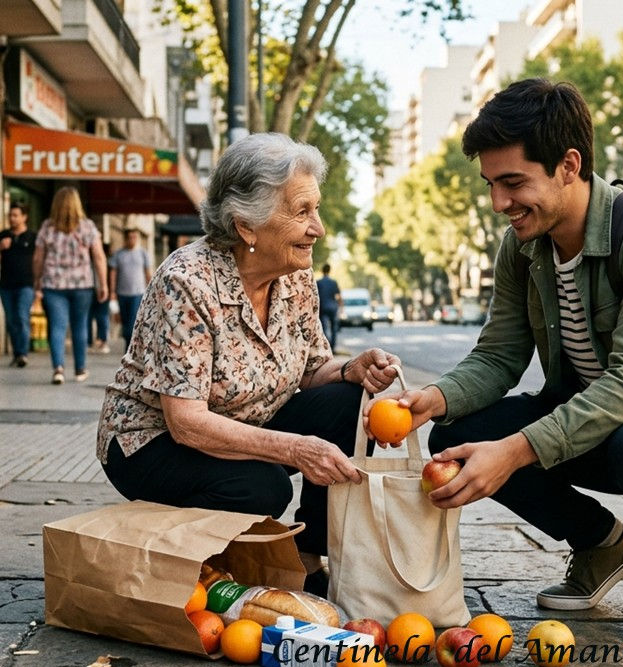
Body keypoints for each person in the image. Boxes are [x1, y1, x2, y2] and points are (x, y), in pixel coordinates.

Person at [373, 79, 623, 643]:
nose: (498, 204)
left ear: (568, 165)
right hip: (595, 423)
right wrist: (433, 401)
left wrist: (513, 453)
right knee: (461, 435)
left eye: (513, 183)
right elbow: (499, 355)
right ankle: (603, 544)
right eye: (490, 185)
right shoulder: (523, 246)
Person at [96, 133, 400, 595]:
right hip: (150, 442)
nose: (317, 227)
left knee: (349, 402)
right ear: (246, 226)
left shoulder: (296, 275)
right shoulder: (187, 281)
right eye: (302, 212)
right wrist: (295, 449)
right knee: (265, 486)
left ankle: (307, 553)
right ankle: (193, 556)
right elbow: (187, 424)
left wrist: (349, 370)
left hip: (246, 421)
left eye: (315, 209)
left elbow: (311, 371)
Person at [33, 187, 108, 384]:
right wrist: (103, 284)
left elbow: (38, 258)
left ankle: (58, 369)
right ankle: (80, 369)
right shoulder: (87, 227)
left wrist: (37, 281)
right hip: (82, 284)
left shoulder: (47, 227)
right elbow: (99, 257)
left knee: (57, 327)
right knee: (80, 326)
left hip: (53, 285)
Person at [0, 202, 37, 367]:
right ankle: (17, 352)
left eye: (16, 215)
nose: (12, 219)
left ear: (24, 217)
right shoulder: (3, 235)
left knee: (22, 316)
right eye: (10, 215)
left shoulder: (32, 237)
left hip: (26, 284)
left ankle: (23, 353)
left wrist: (39, 283)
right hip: (6, 285)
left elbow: (38, 260)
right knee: (11, 320)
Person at [108, 226, 153, 351]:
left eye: (134, 237)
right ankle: (130, 346)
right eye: (130, 238)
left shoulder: (142, 253)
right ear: (125, 239)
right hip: (122, 293)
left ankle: (131, 348)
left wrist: (151, 290)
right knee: (124, 321)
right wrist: (112, 292)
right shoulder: (118, 254)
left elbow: (147, 273)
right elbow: (113, 273)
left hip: (138, 293)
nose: (132, 240)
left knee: (133, 322)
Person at [89, 237, 112, 354]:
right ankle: (90, 341)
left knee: (102, 316)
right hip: (89, 290)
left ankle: (102, 340)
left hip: (101, 290)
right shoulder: (88, 259)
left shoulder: (106, 261)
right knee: (88, 317)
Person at [316, 263, 341, 351]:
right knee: (334, 327)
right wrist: (341, 307)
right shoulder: (333, 282)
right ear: (329, 271)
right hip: (333, 307)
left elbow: (315, 296)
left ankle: (327, 347)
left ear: (322, 271)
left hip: (323, 307)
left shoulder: (318, 282)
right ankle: (333, 347)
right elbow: (338, 296)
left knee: (324, 327)